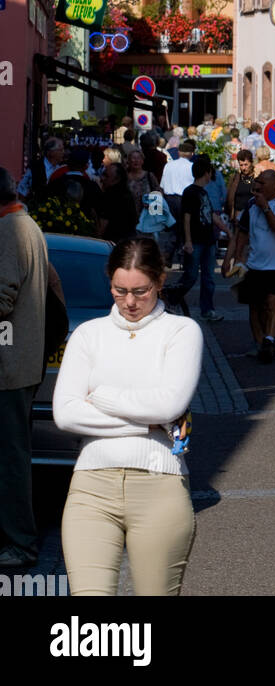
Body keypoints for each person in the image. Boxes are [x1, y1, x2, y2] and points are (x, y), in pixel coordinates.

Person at [53, 236, 203, 596]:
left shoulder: (181, 331)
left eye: (141, 290)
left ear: (160, 281)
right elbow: (65, 414)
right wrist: (149, 423)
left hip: (160, 487)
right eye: (120, 291)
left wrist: (100, 396)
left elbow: (169, 405)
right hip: (91, 488)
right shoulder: (89, 335)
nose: (130, 302)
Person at [0, 167, 48, 570]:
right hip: (21, 361)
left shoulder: (9, 230)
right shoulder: (26, 223)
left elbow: (2, 296)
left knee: (11, 459)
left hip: (8, 365)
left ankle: (20, 543)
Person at [225, 170, 275, 362]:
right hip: (254, 265)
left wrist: (266, 208)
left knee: (272, 304)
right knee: (254, 306)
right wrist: (236, 258)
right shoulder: (251, 205)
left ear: (274, 185)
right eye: (257, 182)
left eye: (262, 183)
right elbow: (242, 234)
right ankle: (260, 343)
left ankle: (269, 340)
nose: (257, 186)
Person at [180, 157, 221, 322]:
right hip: (196, 241)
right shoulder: (190, 192)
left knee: (209, 277)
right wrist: (188, 241)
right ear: (207, 173)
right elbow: (186, 217)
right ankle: (172, 297)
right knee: (190, 276)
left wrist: (225, 229)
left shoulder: (203, 192)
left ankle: (208, 309)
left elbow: (210, 214)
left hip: (208, 240)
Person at [98, 161, 140, 243]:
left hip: (113, 243)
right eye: (103, 174)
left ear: (116, 180)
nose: (101, 178)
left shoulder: (110, 196)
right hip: (128, 242)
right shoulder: (127, 194)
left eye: (106, 176)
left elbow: (102, 225)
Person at [17, 136, 66, 202]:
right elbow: (22, 190)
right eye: (60, 150)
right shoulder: (34, 167)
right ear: (50, 152)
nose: (63, 152)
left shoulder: (61, 169)